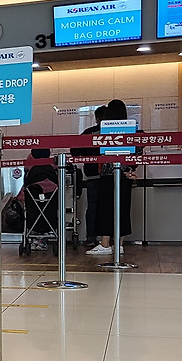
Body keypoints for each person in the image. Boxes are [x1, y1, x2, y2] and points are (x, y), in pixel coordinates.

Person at [86, 103, 136, 255]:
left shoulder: (102, 131)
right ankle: (119, 244)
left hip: (108, 174)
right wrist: (130, 169)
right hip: (125, 175)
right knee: (122, 208)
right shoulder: (131, 130)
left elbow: (81, 147)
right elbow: (137, 151)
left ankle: (105, 243)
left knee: (106, 208)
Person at [72, 105, 107, 245]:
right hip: (111, 176)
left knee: (92, 206)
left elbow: (74, 151)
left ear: (97, 118)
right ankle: (108, 238)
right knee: (109, 206)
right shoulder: (115, 132)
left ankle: (91, 237)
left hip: (92, 175)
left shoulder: (89, 133)